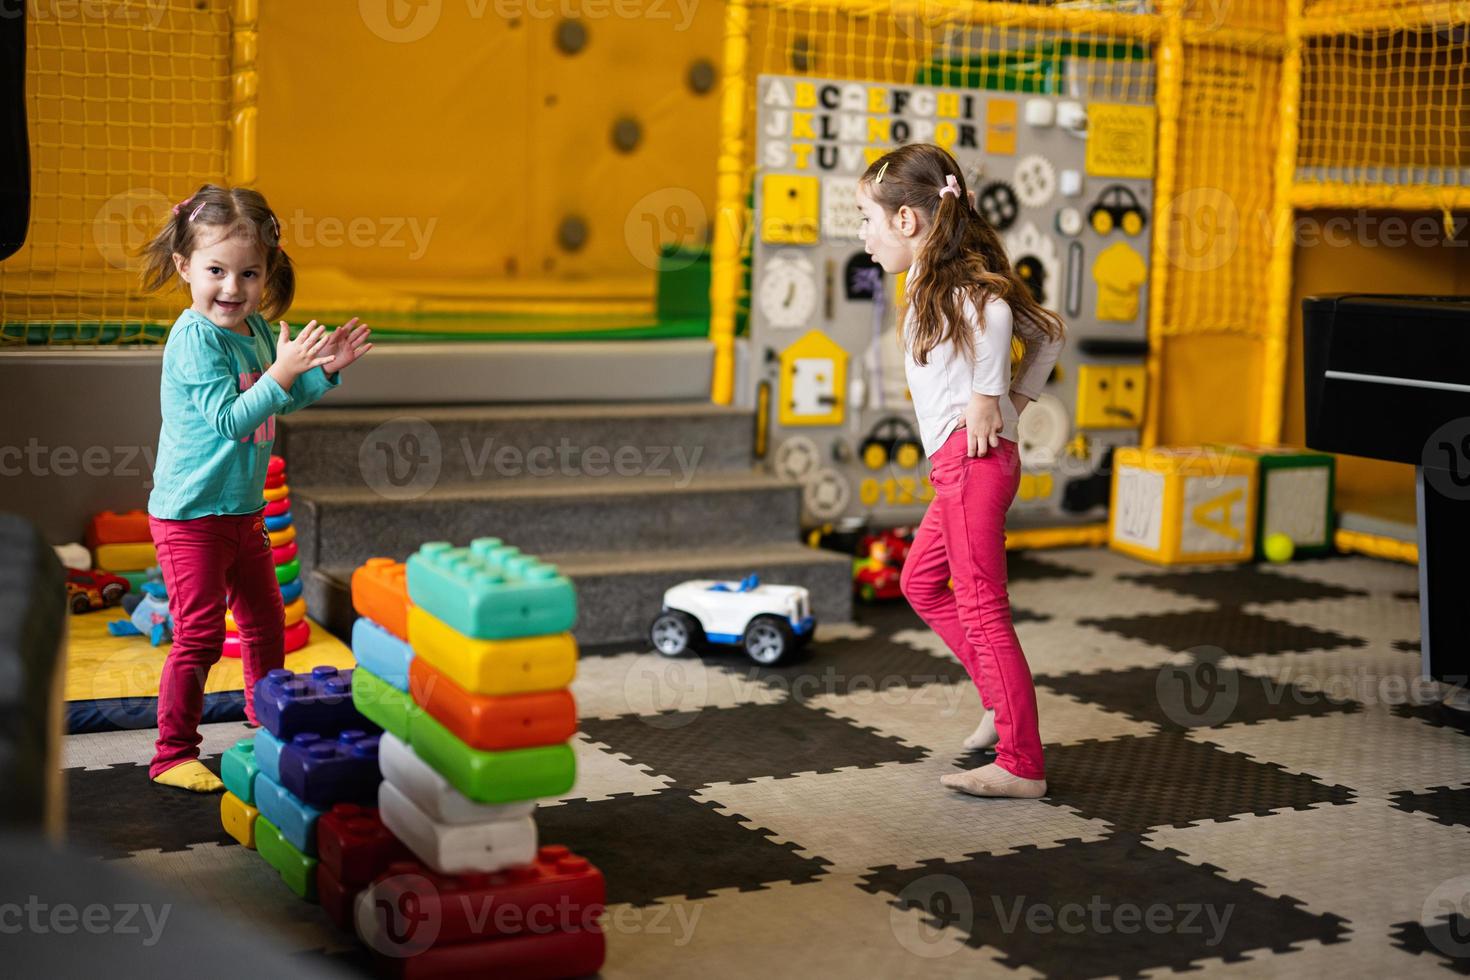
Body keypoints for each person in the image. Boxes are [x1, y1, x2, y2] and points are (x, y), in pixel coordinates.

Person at [139, 184, 372, 791]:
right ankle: (171, 754)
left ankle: (268, 719)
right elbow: (230, 419)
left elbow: (281, 400)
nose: (232, 288)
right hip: (190, 516)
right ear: (185, 266)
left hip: (242, 512)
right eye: (216, 270)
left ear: (267, 273)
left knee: (266, 626)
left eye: (248, 273)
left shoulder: (258, 333)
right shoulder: (194, 339)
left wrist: (320, 372)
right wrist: (280, 371)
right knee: (200, 637)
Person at [856, 144, 1064, 799]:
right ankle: (1000, 705)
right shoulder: (929, 278)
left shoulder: (950, 284)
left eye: (867, 219)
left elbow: (1005, 317)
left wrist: (991, 397)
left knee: (981, 610)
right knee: (920, 581)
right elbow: (1048, 334)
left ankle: (1022, 763)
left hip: (973, 465)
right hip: (959, 465)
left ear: (908, 222)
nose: (863, 236)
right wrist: (1012, 399)